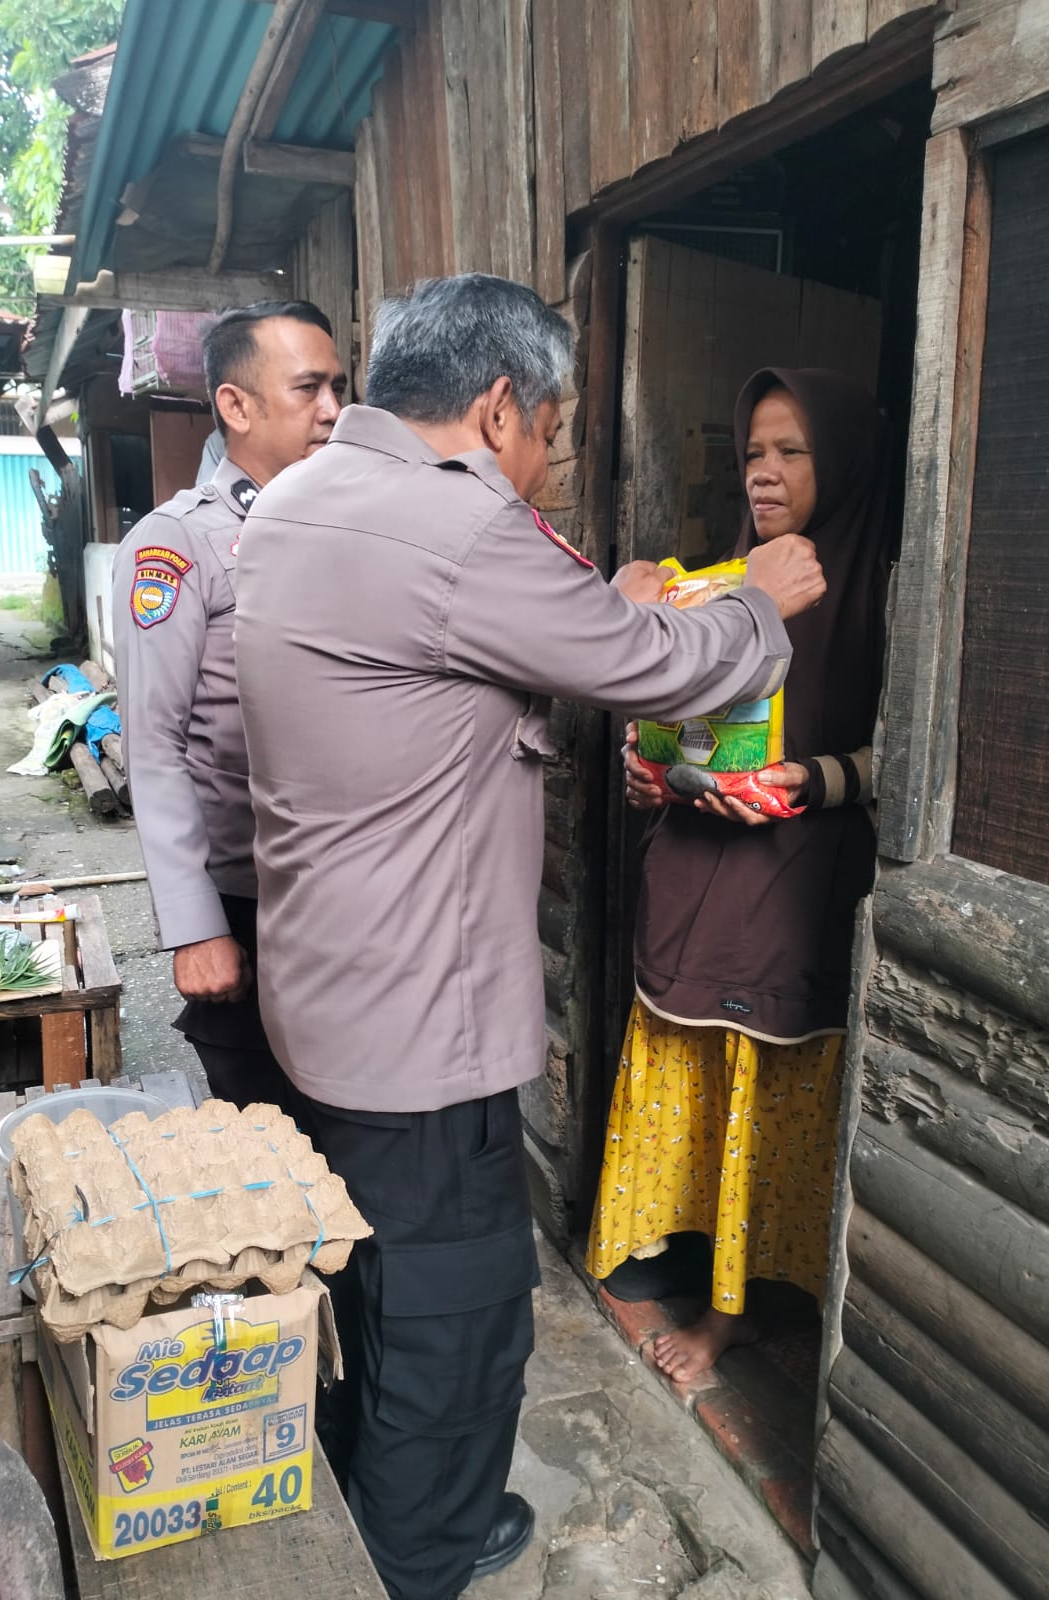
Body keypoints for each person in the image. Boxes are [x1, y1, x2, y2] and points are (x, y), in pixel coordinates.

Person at [234, 276, 826, 1600]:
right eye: (550, 433)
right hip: (420, 1026)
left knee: (371, 1274)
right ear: (498, 407)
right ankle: (424, 1550)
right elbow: (667, 671)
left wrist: (601, 606)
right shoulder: (459, 527)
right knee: (457, 1300)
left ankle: (386, 1499)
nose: (547, 469)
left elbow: (438, 687)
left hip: (326, 992)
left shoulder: (297, 501)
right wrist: (758, 603)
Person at [586, 367, 892, 1385]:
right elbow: (663, 722)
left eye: (790, 452)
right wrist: (649, 771)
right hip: (693, 872)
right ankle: (675, 1257)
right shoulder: (713, 583)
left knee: (761, 1103)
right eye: (753, 452)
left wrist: (811, 779)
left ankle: (735, 1314)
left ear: (837, 462)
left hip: (793, 884)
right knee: (693, 1073)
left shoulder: (884, 591)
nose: (764, 473)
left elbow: (910, 759)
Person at [111, 301, 347, 1107]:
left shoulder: (352, 529)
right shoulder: (177, 546)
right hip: (245, 900)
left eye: (339, 387)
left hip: (344, 893)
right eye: (310, 388)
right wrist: (195, 925)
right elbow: (154, 744)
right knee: (272, 1151)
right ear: (236, 406)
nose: (333, 411)